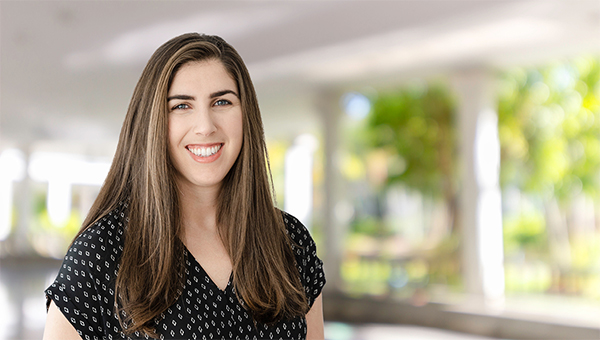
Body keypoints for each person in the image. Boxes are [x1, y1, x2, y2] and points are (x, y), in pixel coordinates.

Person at [42, 33, 325, 340]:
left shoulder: (290, 243)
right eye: (181, 106)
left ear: (246, 115)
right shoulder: (102, 252)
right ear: (153, 122)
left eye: (222, 101)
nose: (205, 126)